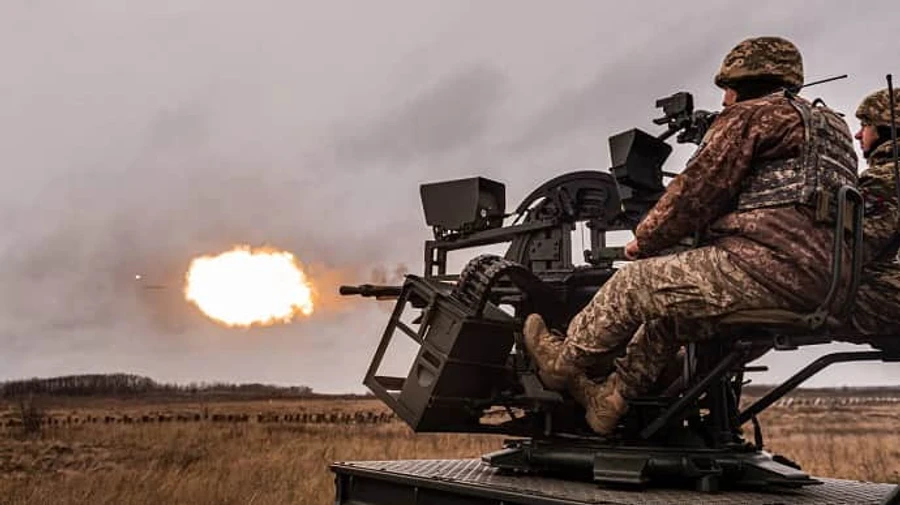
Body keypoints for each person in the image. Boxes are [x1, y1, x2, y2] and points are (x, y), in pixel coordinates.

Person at [524, 36, 859, 435]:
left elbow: (695, 192)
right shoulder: (834, 130)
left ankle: (560, 364)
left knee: (633, 283)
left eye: (727, 90)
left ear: (744, 82)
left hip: (766, 269)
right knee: (668, 317)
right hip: (826, 284)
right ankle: (609, 401)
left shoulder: (754, 115)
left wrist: (644, 241)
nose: (724, 101)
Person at [844, 88, 900, 338]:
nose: (858, 134)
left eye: (865, 125)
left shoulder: (888, 178)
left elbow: (853, 248)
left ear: (888, 129)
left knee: (815, 287)